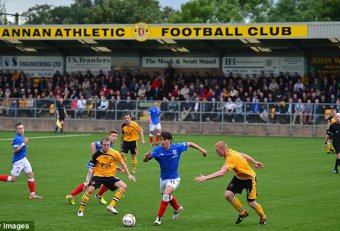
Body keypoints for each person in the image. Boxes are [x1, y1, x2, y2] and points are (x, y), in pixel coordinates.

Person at [143, 131, 207, 226]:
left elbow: (190, 144)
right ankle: (177, 208)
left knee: (165, 194)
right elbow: (146, 160)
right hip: (163, 178)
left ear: (169, 140)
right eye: (161, 139)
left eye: (164, 139)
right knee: (166, 196)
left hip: (174, 178)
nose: (162, 141)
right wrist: (146, 157)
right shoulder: (157, 150)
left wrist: (203, 150)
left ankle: (158, 219)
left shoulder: (177, 148)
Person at [195, 141, 266, 225]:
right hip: (238, 177)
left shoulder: (230, 158)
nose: (216, 153)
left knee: (251, 203)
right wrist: (254, 162)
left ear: (223, 150)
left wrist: (205, 177)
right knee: (228, 195)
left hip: (249, 179)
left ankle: (263, 217)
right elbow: (243, 154)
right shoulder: (230, 151)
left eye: (217, 151)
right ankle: (243, 213)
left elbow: (221, 173)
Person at [77, 137, 136, 216]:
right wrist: (87, 181)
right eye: (104, 145)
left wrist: (128, 174)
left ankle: (111, 206)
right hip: (98, 176)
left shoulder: (115, 153)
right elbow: (91, 169)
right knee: (90, 190)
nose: (106, 147)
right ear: (101, 145)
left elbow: (122, 163)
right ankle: (80, 210)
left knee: (124, 186)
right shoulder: (96, 155)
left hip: (110, 176)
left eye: (108, 145)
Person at [66, 129, 121, 205]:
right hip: (95, 167)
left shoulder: (110, 145)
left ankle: (99, 195)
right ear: (109, 136)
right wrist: (94, 157)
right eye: (113, 136)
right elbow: (92, 144)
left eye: (116, 136)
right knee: (89, 183)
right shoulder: (104, 143)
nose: (114, 138)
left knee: (109, 179)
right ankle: (71, 196)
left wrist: (116, 167)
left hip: (102, 167)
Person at [0, 122, 42, 199]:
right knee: (13, 179)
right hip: (18, 161)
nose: (21, 130)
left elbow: (14, 143)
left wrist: (14, 142)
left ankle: (32, 195)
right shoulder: (18, 138)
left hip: (24, 159)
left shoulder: (19, 138)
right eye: (19, 128)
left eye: (22, 128)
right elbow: (15, 151)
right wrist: (23, 143)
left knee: (30, 174)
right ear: (16, 130)